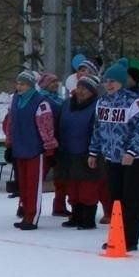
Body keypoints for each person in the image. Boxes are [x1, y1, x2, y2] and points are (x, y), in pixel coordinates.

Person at [88, 59, 139, 251]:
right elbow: (98, 130)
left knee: (130, 199)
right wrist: (93, 151)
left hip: (133, 159)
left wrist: (131, 151)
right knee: (115, 199)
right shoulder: (102, 102)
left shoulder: (134, 101)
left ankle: (131, 240)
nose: (109, 84)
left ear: (122, 82)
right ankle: (117, 235)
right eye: (107, 81)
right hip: (111, 158)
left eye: (113, 81)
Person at [3, 70, 58, 230]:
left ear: (30, 85)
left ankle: (32, 217)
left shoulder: (40, 102)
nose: (19, 86)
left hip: (35, 150)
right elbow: (11, 124)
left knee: (33, 185)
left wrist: (49, 147)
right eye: (18, 83)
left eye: (23, 84)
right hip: (19, 149)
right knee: (24, 185)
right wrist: (9, 142)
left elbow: (46, 127)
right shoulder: (15, 101)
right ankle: (25, 212)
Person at [57, 75, 105, 229]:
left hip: (88, 153)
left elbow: (98, 131)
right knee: (72, 186)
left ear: (93, 92)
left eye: (85, 89)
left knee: (88, 188)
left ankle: (88, 218)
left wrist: (94, 152)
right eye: (79, 87)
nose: (81, 91)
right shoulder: (66, 105)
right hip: (68, 152)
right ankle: (75, 215)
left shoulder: (97, 106)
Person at [38, 73, 70, 218]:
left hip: (60, 143)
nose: (56, 84)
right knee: (38, 177)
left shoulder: (60, 100)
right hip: (43, 145)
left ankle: (60, 205)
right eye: (52, 82)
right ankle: (26, 205)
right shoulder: (41, 100)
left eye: (57, 81)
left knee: (61, 176)